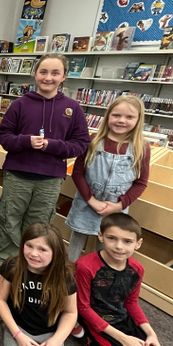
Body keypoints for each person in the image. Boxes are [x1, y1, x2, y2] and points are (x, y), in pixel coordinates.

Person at [0, 53, 89, 274]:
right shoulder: (19, 104)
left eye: (55, 73)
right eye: (43, 72)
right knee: (10, 217)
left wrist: (51, 146)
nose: (48, 77)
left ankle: (29, 261)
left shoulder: (72, 108)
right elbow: (4, 137)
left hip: (50, 177)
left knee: (39, 223)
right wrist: (25, 141)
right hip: (17, 173)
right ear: (35, 74)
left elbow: (80, 144)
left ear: (64, 76)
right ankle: (5, 258)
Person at [74, 213, 173, 346]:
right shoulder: (85, 265)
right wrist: (124, 340)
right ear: (100, 236)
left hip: (124, 321)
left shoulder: (137, 269)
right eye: (112, 238)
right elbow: (83, 307)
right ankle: (87, 340)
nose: (119, 246)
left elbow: (131, 303)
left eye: (127, 241)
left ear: (138, 243)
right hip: (96, 325)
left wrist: (151, 335)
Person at [65, 94, 151, 264]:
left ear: (138, 119)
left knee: (108, 243)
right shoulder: (93, 140)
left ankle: (99, 275)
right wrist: (91, 200)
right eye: (116, 115)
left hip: (116, 208)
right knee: (77, 237)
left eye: (129, 117)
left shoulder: (142, 148)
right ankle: (69, 271)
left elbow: (141, 182)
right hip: (86, 202)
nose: (121, 120)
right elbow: (78, 172)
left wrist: (119, 205)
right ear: (108, 115)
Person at [0, 222, 76, 346]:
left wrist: (56, 341)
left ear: (56, 252)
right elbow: (0, 300)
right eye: (28, 245)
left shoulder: (64, 276)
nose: (33, 253)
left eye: (42, 249)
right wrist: (17, 335)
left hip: (50, 332)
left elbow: (70, 312)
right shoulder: (11, 266)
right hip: (19, 328)